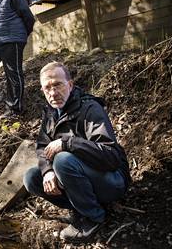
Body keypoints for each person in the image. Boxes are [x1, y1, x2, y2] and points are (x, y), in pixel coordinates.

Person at [23, 62, 131, 243]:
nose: (53, 93)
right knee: (32, 179)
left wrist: (68, 144)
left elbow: (111, 156)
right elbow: (43, 147)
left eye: (57, 84)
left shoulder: (90, 108)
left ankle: (93, 217)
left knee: (63, 160)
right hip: (82, 180)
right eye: (47, 88)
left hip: (112, 181)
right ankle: (80, 208)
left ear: (70, 85)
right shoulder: (50, 114)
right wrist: (48, 171)